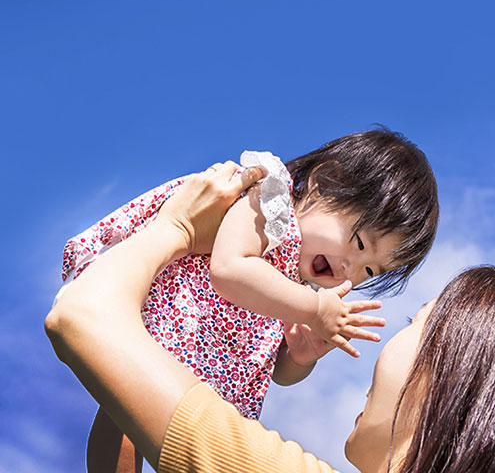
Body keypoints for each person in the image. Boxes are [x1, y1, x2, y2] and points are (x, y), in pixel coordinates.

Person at [46, 163, 495, 472]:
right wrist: (298, 345)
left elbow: (82, 316)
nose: (351, 273)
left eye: (412, 327)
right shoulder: (274, 218)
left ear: (458, 386)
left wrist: (173, 229)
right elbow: (234, 280)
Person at [59, 129, 439, 471]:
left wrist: (300, 357)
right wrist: (316, 308)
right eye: (358, 244)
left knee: (177, 436)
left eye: (369, 272)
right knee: (124, 408)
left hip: (206, 372)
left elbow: (274, 370)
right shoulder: (271, 202)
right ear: (326, 182)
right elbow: (229, 270)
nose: (349, 270)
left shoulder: (295, 284)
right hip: (180, 323)